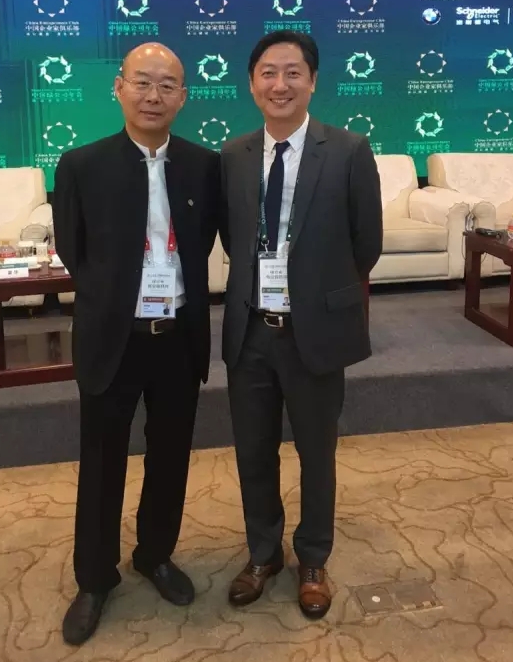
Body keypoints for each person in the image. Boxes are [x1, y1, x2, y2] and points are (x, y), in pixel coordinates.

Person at [53, 43, 219, 646]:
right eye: (142, 82)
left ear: (184, 97)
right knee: (101, 461)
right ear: (118, 88)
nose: (154, 96)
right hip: (113, 337)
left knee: (170, 456)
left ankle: (155, 554)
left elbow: (200, 244)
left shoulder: (203, 165)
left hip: (176, 335)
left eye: (168, 85)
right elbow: (74, 250)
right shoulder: (81, 165)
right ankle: (95, 577)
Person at [220, 30, 382, 619]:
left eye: (293, 72)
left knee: (317, 453)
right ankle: (263, 554)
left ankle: (313, 559)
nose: (280, 84)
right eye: (268, 72)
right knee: (253, 452)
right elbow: (234, 238)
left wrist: (316, 291)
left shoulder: (348, 150)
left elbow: (367, 243)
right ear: (252, 83)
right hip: (250, 331)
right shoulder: (233, 155)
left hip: (316, 330)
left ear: (313, 81)